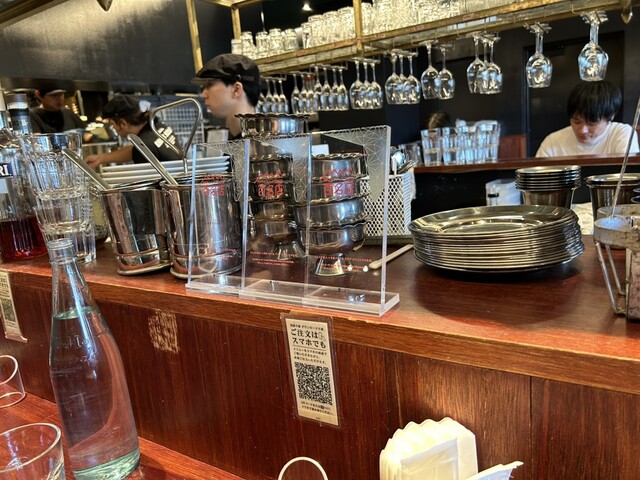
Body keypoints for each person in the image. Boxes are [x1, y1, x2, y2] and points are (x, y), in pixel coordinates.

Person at [536, 81, 639, 157]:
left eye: (592, 123)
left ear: (611, 116)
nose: (582, 130)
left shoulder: (622, 134)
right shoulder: (553, 141)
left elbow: (627, 176)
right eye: (576, 122)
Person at [85, 95, 182, 169]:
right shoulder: (159, 127)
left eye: (112, 124)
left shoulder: (145, 147)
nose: (113, 128)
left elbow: (148, 186)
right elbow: (134, 150)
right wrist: (100, 158)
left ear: (123, 123)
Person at [191, 53, 260, 140]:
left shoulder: (263, 145)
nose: (203, 95)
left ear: (236, 89)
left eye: (209, 85)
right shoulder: (236, 142)